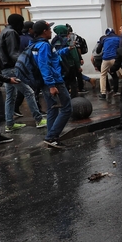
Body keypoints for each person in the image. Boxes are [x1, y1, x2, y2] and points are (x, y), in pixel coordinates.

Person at [0, 14, 45, 132]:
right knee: (29, 92)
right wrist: (25, 63)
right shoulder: (11, 33)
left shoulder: (4, 31)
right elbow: (13, 53)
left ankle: (9, 123)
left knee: (11, 96)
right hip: (12, 68)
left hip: (5, 69)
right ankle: (39, 119)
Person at [31, 20, 72, 149]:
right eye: (49, 29)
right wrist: (52, 85)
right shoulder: (44, 46)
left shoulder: (34, 44)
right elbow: (44, 65)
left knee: (52, 109)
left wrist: (66, 49)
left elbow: (52, 57)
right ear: (44, 31)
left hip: (44, 81)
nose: (50, 32)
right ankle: (52, 136)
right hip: (54, 81)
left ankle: (51, 137)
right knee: (67, 108)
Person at [51, 25, 82, 99]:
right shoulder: (70, 41)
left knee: (64, 82)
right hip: (70, 65)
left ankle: (64, 97)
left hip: (59, 65)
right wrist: (78, 66)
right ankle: (74, 99)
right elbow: (74, 55)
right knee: (73, 82)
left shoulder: (54, 41)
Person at [95, 28, 121, 99]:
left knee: (103, 75)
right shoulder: (118, 38)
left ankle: (103, 93)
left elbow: (98, 50)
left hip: (106, 59)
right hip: (116, 58)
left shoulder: (103, 38)